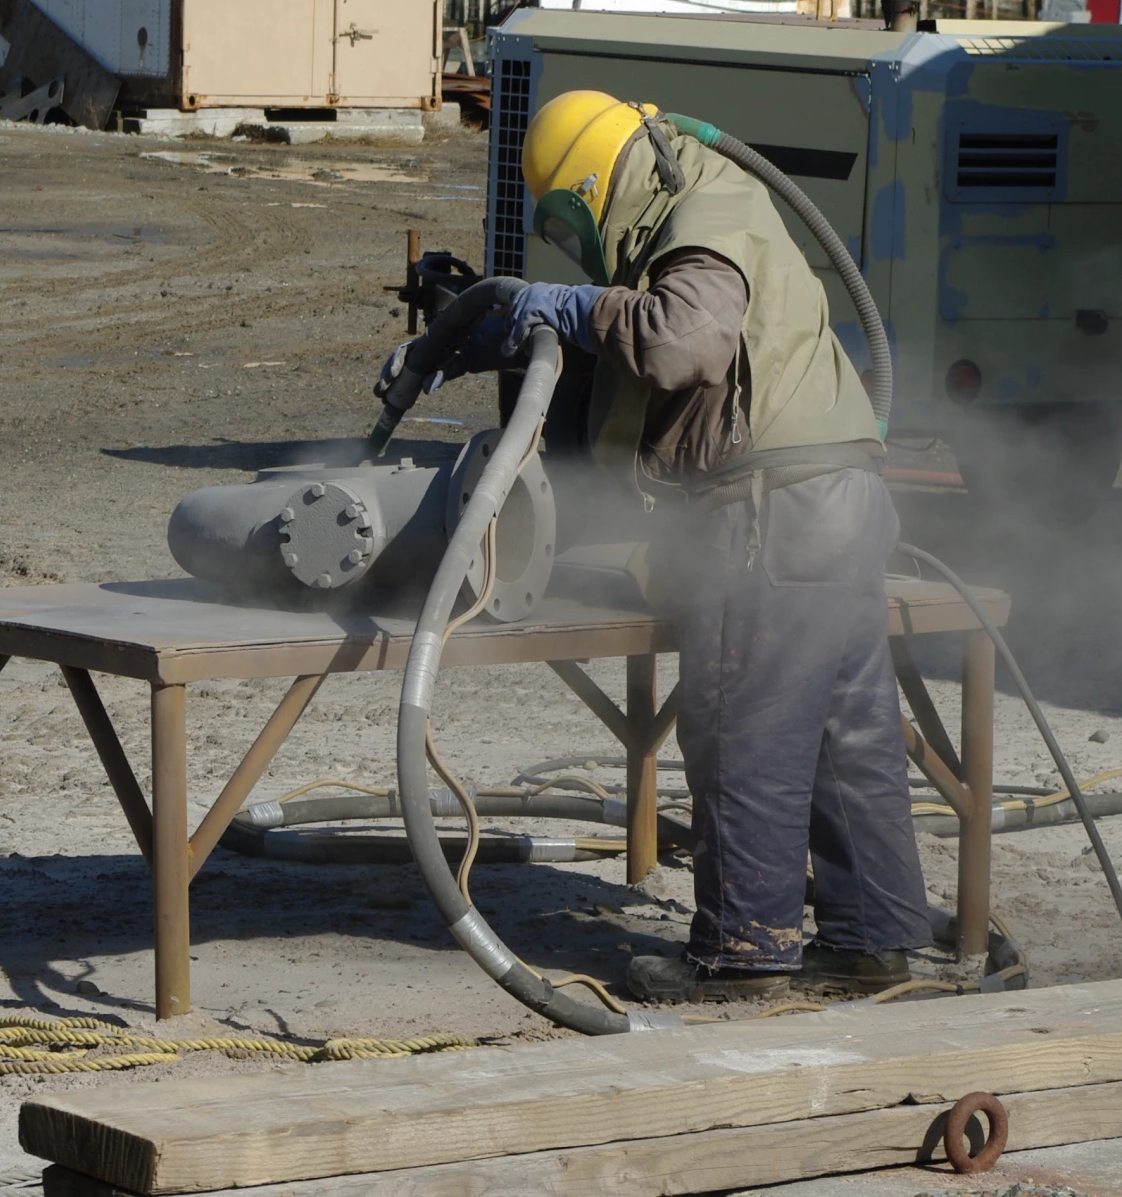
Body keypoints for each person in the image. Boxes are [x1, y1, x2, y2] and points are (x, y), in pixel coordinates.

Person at [385, 90, 931, 1004]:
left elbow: (681, 344)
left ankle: (743, 952)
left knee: (742, 724)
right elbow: (635, 381)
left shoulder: (699, 212)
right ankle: (873, 937)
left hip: (769, 513)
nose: (572, 243)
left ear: (597, 187)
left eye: (568, 222)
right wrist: (509, 334)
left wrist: (575, 306)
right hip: (837, 498)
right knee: (847, 728)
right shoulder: (696, 204)